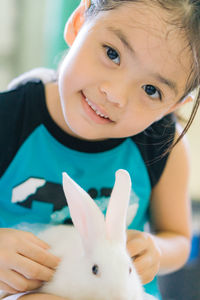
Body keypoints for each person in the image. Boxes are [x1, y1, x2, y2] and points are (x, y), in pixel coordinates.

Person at [0, 0, 200, 299]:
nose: (115, 95)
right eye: (112, 54)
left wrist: (156, 249)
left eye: (150, 90)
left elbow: (179, 239)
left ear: (171, 107)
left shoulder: (163, 146)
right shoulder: (9, 118)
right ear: (78, 22)